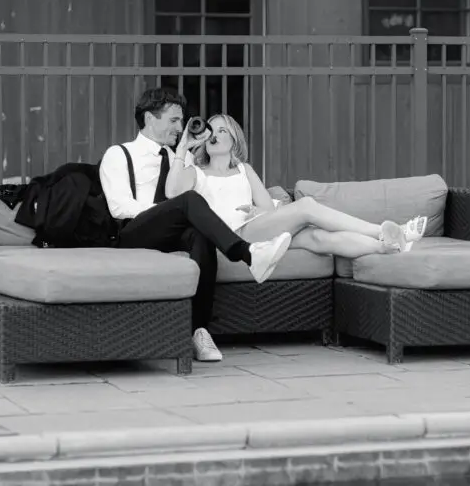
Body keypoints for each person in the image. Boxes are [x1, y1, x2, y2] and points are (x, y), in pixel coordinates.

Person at [99, 88, 292, 364]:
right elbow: (119, 206)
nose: (180, 127)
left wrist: (182, 152)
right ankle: (247, 254)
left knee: (202, 236)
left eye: (182, 121)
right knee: (189, 201)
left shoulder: (183, 156)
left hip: (172, 233)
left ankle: (199, 331)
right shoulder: (119, 154)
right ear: (150, 119)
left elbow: (180, 194)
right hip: (132, 233)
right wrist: (169, 211)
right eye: (174, 120)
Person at [164, 113, 428, 258]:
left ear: (234, 140)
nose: (216, 134)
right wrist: (183, 148)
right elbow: (172, 192)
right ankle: (384, 229)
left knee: (317, 238)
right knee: (307, 207)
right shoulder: (195, 172)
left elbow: (267, 209)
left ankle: (386, 246)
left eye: (223, 131)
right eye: (212, 130)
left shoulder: (245, 169)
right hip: (231, 236)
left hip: (255, 229)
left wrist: (258, 212)